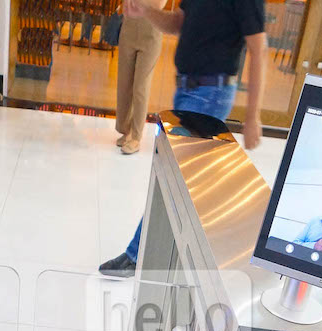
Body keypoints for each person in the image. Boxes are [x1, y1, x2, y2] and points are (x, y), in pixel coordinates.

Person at [99, 0, 267, 277]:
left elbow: (258, 48)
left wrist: (253, 116)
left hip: (210, 95)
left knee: (173, 174)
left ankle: (137, 255)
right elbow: (178, 22)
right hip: (187, 90)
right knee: (183, 178)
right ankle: (183, 257)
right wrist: (147, 12)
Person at [114, 1, 165, 155]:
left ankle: (136, 136)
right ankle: (126, 130)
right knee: (124, 83)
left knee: (140, 86)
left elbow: (158, 4)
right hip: (128, 30)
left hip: (151, 34)